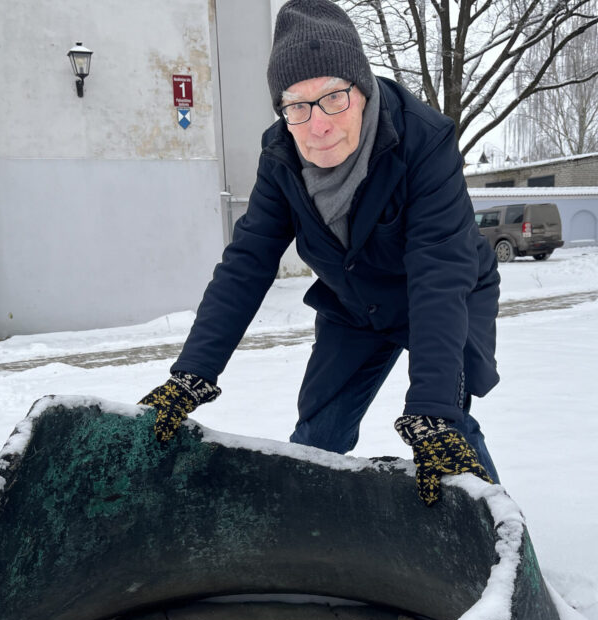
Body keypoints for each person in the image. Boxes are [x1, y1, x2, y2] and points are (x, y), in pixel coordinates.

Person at [140, 0, 501, 506]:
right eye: (297, 106)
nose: (318, 124)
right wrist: (191, 374)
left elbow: (439, 271)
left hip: (444, 296)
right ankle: (303, 530)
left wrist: (433, 410)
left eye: (334, 98)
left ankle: (492, 540)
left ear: (364, 90)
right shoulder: (281, 156)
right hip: (355, 305)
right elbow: (248, 260)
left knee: (446, 430)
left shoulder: (424, 141)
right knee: (319, 431)